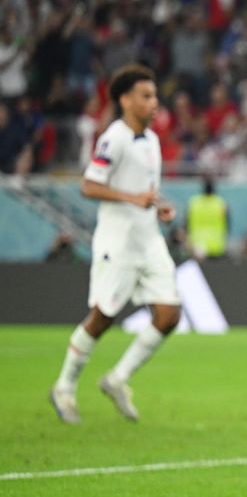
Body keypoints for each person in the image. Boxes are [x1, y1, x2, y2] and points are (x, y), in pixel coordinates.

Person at [49, 65, 181, 424]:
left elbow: (144, 193)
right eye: (146, 96)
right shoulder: (115, 138)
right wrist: (132, 198)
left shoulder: (151, 141)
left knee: (169, 314)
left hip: (148, 240)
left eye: (155, 95)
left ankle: (117, 378)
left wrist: (159, 206)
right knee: (103, 318)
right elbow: (89, 186)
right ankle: (64, 386)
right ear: (125, 100)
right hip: (118, 243)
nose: (155, 102)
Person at [187, 177, 230, 260]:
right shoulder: (221, 203)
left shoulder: (194, 203)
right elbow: (228, 224)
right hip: (217, 246)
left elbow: (186, 224)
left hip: (197, 246)